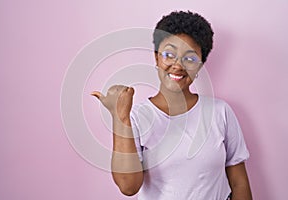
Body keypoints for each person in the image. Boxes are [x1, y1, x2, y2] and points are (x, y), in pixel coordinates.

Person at [91, 10, 252, 200]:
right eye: (169, 54)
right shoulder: (135, 118)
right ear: (156, 57)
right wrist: (120, 118)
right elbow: (128, 186)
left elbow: (239, 182)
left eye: (190, 58)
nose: (178, 65)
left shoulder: (220, 112)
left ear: (200, 65)